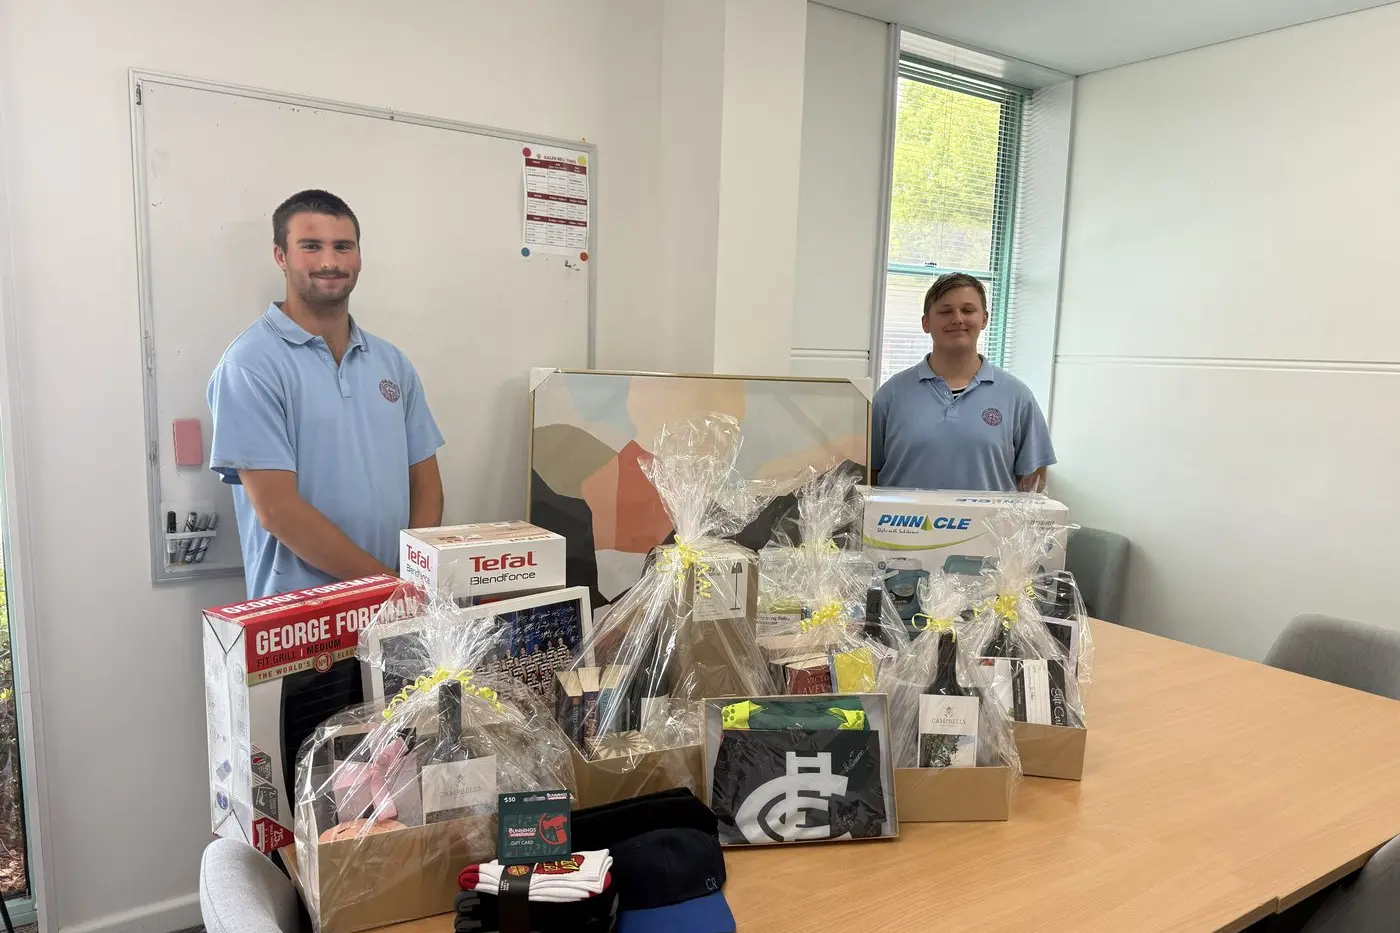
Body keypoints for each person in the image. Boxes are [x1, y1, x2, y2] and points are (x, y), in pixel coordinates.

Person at [207, 189, 445, 598]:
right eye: (311, 246)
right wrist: (389, 588)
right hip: (300, 627)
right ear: (281, 256)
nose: (330, 262)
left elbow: (426, 484)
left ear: (359, 257)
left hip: (396, 611)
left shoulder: (392, 364)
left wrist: (414, 577)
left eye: (343, 247)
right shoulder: (249, 365)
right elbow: (279, 512)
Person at [872, 273, 1054, 492]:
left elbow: (1033, 482)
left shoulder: (1017, 396)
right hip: (903, 526)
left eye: (968, 310)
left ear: (984, 319)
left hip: (988, 527)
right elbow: (868, 475)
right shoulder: (891, 395)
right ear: (926, 322)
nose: (957, 319)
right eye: (945, 311)